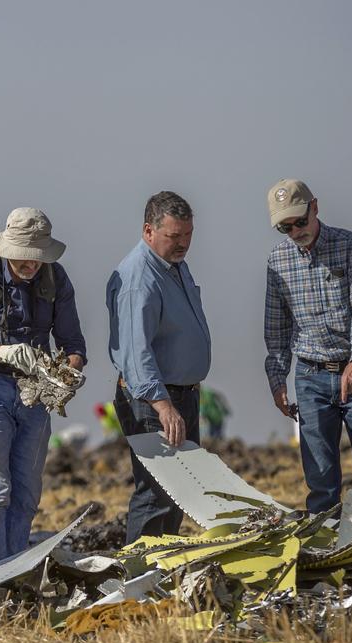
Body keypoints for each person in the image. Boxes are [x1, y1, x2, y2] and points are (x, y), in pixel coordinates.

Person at [0, 207, 86, 565]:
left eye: (37, 257)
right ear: (7, 249)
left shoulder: (56, 278)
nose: (31, 264)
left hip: (35, 394)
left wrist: (67, 374)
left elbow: (73, 345)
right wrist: (3, 352)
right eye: (24, 257)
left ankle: (15, 572)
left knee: (26, 493)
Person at [264, 179, 352, 512]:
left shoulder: (351, 246)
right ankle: (326, 545)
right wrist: (277, 380)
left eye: (300, 221)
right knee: (321, 483)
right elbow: (277, 330)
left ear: (314, 208)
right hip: (310, 378)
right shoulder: (277, 262)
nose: (295, 231)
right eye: (285, 227)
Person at [106, 191, 211, 544]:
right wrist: (164, 406)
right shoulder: (139, 278)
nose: (182, 244)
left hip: (180, 394)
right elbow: (136, 354)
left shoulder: (173, 265)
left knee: (178, 493)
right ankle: (140, 576)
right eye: (173, 236)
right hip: (153, 400)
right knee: (155, 493)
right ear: (149, 230)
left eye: (188, 235)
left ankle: (161, 571)